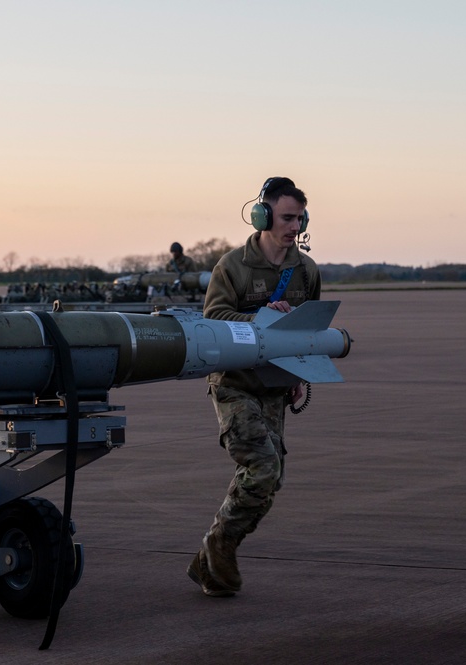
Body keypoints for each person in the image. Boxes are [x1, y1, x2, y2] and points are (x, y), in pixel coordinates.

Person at [186, 177, 321, 597]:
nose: (293, 226)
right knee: (263, 467)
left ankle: (208, 558)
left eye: (299, 218)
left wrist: (298, 373)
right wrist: (262, 317)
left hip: (274, 385)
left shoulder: (306, 271)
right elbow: (213, 319)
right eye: (286, 217)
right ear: (262, 216)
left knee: (271, 479)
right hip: (234, 383)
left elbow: (309, 329)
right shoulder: (232, 267)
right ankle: (221, 546)